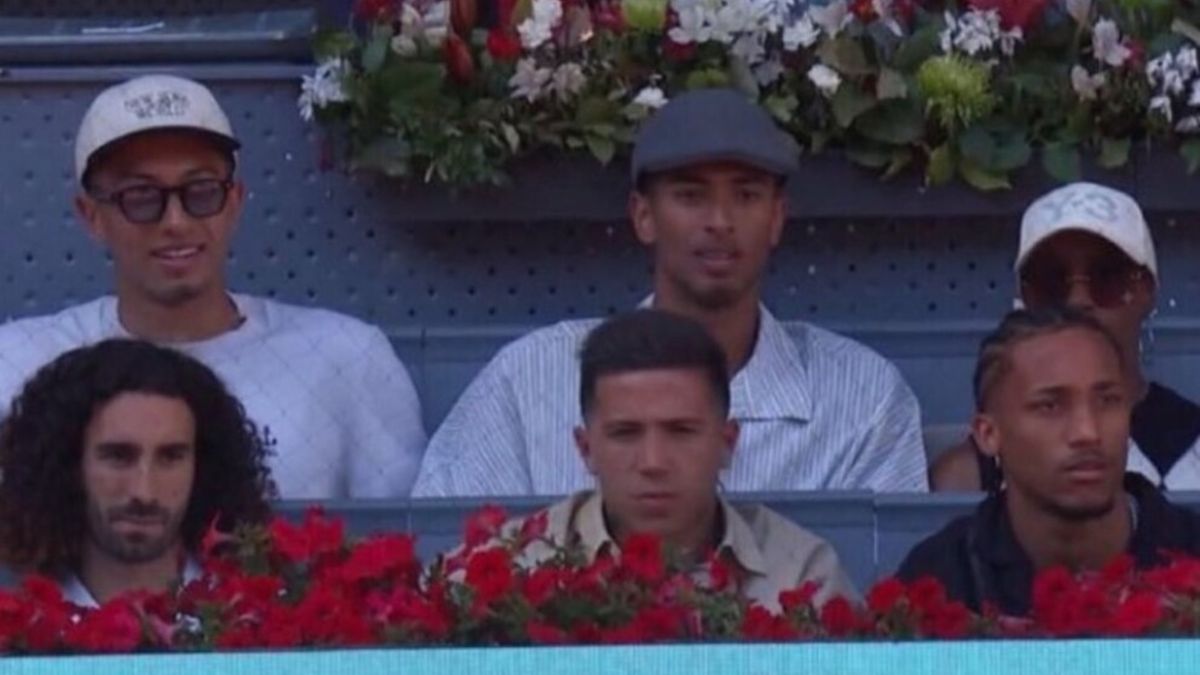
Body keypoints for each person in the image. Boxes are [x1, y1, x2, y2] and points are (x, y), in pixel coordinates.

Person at [414, 88, 926, 496]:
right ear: (643, 216)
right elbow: (445, 560)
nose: (720, 221)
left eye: (746, 195)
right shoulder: (530, 379)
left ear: (777, 217)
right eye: (691, 195)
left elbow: (886, 585)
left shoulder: (864, 398)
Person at [0, 74, 426, 498]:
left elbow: (407, 529)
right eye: (141, 196)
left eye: (201, 191)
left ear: (235, 201)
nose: (176, 222)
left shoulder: (346, 357)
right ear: (91, 215)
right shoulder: (18, 362)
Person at [481, 310, 858, 610]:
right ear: (585, 449)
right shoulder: (507, 568)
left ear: (727, 443)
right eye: (625, 433)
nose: (653, 462)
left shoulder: (802, 573)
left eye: (681, 431)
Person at [899, 309, 1200, 615]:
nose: (1087, 432)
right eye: (1050, 406)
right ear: (988, 434)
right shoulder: (939, 579)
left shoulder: (1192, 548)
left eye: (1107, 401)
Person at [931, 182, 1200, 492]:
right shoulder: (969, 475)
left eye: (1107, 277)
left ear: (1147, 291)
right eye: (1051, 280)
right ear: (1024, 298)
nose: (1078, 300)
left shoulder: (1191, 446)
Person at [0, 339, 276, 607]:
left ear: (202, 466)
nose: (144, 492)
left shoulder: (256, 612)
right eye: (118, 457)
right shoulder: (17, 617)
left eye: (170, 457)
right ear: (69, 464)